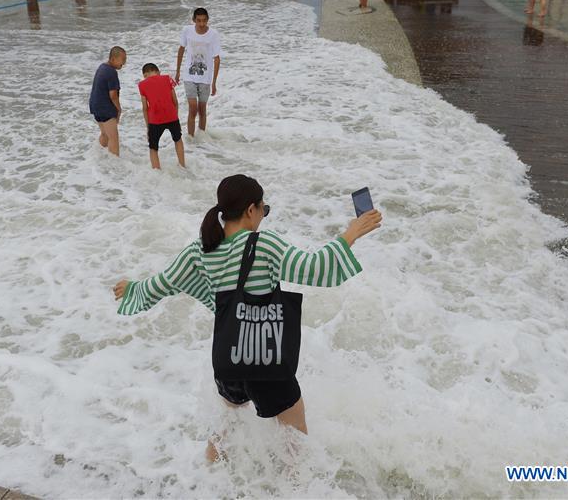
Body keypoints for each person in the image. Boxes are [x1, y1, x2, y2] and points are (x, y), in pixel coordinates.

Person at [112, 174, 383, 462]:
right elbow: (315, 268)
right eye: (263, 210)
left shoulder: (200, 249)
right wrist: (352, 232)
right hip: (266, 362)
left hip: (228, 362)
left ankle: (210, 481)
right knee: (296, 445)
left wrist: (133, 289)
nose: (263, 217)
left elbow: (162, 283)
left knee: (224, 430)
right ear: (250, 210)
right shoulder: (264, 245)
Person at [175, 8, 221, 138]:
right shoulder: (187, 30)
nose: (202, 24)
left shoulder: (213, 34)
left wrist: (214, 82)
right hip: (189, 75)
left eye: (204, 21)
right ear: (193, 20)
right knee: (193, 108)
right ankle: (190, 138)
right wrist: (178, 72)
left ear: (207, 20)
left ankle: (201, 139)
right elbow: (181, 49)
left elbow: (217, 58)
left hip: (205, 78)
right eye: (199, 21)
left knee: (202, 110)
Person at [138, 62, 186, 170]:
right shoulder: (167, 79)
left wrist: (148, 126)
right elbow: (175, 101)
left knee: (153, 148)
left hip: (155, 119)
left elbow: (145, 108)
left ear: (144, 75)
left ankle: (157, 170)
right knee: (178, 140)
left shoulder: (142, 84)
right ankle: (182, 166)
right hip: (172, 117)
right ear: (158, 72)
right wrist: (175, 116)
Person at [89, 46, 126, 158]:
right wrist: (118, 109)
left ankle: (98, 158)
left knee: (105, 134)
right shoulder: (111, 72)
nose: (124, 63)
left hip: (95, 106)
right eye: (122, 59)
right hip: (105, 108)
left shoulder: (102, 67)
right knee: (113, 138)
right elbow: (113, 95)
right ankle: (114, 167)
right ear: (113, 59)